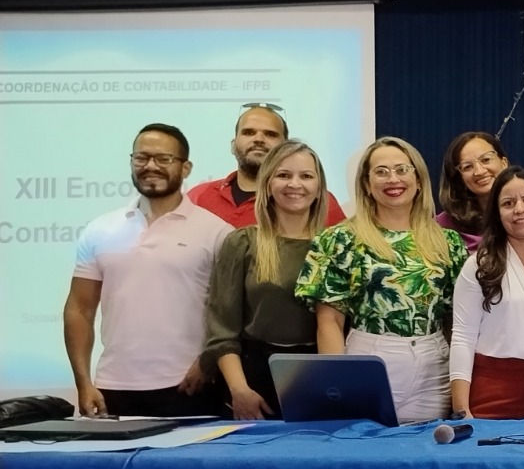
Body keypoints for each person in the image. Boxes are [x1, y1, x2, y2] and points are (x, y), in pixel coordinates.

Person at [64, 123, 232, 417]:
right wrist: (83, 383)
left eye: (163, 158)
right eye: (141, 157)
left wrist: (207, 362)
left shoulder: (217, 232)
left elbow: (231, 316)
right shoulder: (100, 230)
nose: (150, 166)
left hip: (190, 386)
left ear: (186, 168)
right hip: (112, 388)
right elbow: (79, 308)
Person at [296, 137, 467, 423]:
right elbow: (329, 321)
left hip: (434, 366)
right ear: (366, 183)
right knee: (364, 444)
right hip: (370, 359)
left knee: (426, 446)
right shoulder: (340, 239)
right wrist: (337, 383)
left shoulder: (448, 242)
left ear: (418, 179)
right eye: (381, 172)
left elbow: (454, 320)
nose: (393, 179)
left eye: (402, 169)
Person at [203, 139, 334, 419]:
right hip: (252, 381)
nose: (295, 184)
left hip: (316, 376)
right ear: (267, 183)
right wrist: (239, 390)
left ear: (319, 187)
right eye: (283, 175)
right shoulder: (242, 243)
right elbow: (222, 331)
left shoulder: (335, 247)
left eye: (306, 176)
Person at [448, 166, 524, 419]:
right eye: (508, 203)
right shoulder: (479, 265)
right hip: (492, 391)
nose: (519, 209)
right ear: (497, 212)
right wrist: (461, 410)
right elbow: (462, 337)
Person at [189, 104, 346, 229]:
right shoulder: (199, 196)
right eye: (248, 132)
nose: (258, 139)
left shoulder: (316, 200)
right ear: (233, 145)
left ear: (287, 147)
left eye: (270, 134)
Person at [437, 130, 524, 249]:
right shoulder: (444, 223)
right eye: (467, 167)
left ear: (504, 163)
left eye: (486, 160)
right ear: (459, 178)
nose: (479, 171)